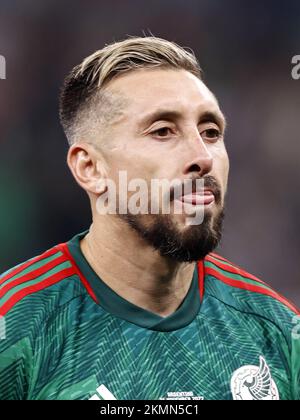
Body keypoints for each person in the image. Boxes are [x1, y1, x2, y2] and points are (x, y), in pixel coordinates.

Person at [0, 36, 299, 400]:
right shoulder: (15, 329)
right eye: (162, 131)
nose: (203, 157)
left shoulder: (278, 331)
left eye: (211, 132)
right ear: (90, 168)